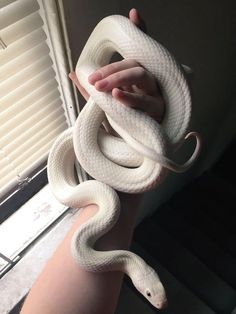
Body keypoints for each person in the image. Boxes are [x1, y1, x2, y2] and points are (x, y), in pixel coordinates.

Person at [21, 8, 165, 314]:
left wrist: (129, 133)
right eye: (151, 295)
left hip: (121, 162)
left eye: (150, 296)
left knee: (93, 75)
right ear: (142, 278)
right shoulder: (102, 247)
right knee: (95, 77)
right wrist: (134, 140)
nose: (155, 301)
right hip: (125, 164)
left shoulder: (93, 249)